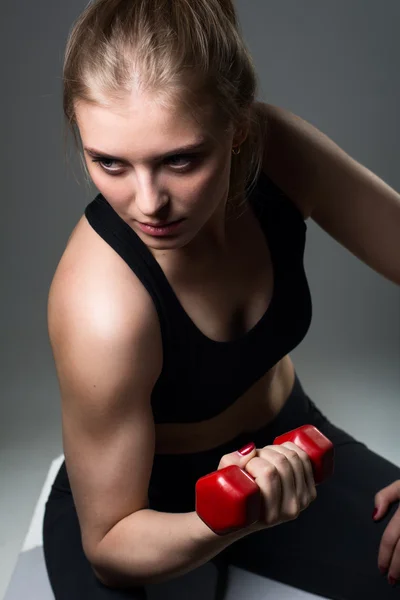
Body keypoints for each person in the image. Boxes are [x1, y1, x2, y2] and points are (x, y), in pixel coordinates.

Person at [42, 1, 400, 598]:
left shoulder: (280, 155)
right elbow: (108, 545)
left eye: (179, 159)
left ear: (238, 127)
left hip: (291, 456)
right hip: (141, 514)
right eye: (108, 162)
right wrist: (221, 519)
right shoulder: (99, 303)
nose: (147, 203)